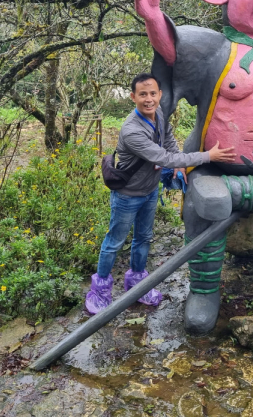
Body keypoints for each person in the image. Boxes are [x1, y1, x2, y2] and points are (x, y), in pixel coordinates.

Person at [85, 73, 236, 314]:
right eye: (142, 94)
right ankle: (100, 289)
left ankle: (137, 283)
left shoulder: (159, 113)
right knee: (115, 242)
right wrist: (208, 156)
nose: (149, 99)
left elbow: (168, 140)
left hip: (149, 191)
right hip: (127, 195)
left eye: (152, 94)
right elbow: (164, 157)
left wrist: (179, 164)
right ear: (133, 97)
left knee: (144, 238)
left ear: (160, 95)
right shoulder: (132, 131)